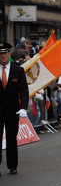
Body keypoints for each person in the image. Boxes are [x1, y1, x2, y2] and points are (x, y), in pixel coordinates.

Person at [0, 42, 29, 176]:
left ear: (9, 54)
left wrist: (23, 107)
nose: (3, 56)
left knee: (12, 138)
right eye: (0, 54)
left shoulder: (18, 70)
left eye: (5, 53)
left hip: (12, 110)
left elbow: (23, 91)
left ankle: (12, 165)